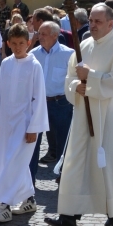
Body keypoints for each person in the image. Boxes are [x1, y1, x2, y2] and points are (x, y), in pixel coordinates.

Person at [45, 4, 113, 226]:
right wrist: (76, 85)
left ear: (110, 24)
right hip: (83, 115)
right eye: (91, 20)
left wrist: (91, 78)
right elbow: (69, 78)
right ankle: (68, 215)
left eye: (98, 21)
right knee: (76, 161)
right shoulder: (82, 47)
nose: (92, 25)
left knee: (111, 162)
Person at [0, 23, 48, 223]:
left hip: (25, 124)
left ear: (28, 43)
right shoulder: (6, 64)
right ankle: (28, 199)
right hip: (7, 123)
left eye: (22, 43)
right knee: (9, 160)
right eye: (14, 43)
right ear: (8, 44)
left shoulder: (34, 65)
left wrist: (34, 128)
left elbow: (39, 98)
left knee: (13, 162)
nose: (18, 47)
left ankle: (4, 205)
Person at [30, 21, 75, 178]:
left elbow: (75, 79)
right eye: (39, 33)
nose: (39, 37)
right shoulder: (33, 55)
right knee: (33, 143)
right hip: (38, 104)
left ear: (55, 36)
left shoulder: (69, 55)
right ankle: (29, 179)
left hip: (61, 103)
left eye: (43, 34)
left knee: (64, 143)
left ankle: (64, 178)